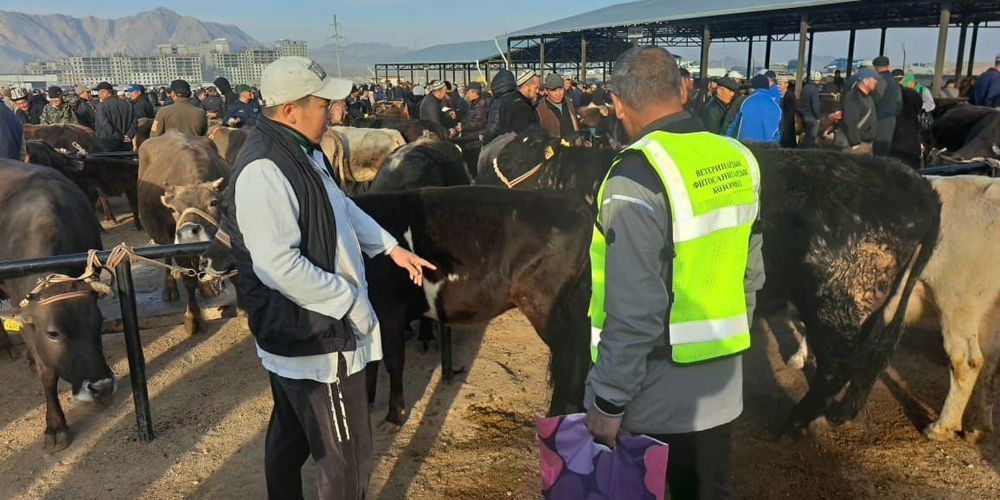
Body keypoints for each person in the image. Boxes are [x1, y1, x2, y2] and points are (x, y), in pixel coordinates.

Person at [220, 55, 435, 500]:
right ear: (290, 109)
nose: (335, 111)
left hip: (302, 332)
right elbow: (277, 265)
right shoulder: (265, 168)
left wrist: (390, 247)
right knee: (346, 460)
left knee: (291, 434)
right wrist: (349, 301)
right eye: (324, 103)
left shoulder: (299, 151)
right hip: (317, 339)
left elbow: (341, 207)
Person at [586, 45, 762, 499]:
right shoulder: (737, 159)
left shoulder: (635, 178)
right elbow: (751, 273)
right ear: (684, 91)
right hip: (722, 385)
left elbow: (635, 308)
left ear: (618, 103)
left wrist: (608, 399)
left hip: (655, 398)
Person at [726, 74, 782, 143]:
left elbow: (732, 126)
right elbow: (777, 134)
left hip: (744, 148)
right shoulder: (776, 107)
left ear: (753, 89)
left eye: (749, 88)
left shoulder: (745, 101)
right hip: (766, 149)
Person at [836, 68, 879, 154]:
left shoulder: (868, 97)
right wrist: (855, 143)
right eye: (874, 79)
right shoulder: (853, 97)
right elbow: (851, 121)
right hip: (857, 145)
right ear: (865, 81)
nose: (876, 82)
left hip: (865, 143)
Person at [871, 56, 902, 156]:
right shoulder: (895, 82)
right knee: (884, 152)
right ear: (888, 66)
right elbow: (899, 103)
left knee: (875, 152)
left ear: (875, 67)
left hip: (878, 119)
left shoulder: (877, 81)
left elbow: (873, 100)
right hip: (890, 119)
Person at [93, 81, 137, 152]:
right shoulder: (128, 104)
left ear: (106, 92)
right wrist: (129, 135)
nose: (99, 95)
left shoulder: (101, 106)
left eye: (100, 92)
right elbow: (134, 122)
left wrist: (119, 137)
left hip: (107, 143)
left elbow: (104, 124)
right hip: (126, 143)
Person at [496, 70, 540, 137]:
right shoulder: (522, 107)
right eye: (536, 88)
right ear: (526, 87)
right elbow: (524, 135)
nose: (538, 91)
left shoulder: (508, 100)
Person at [536, 72, 579, 141]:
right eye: (553, 90)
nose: (558, 94)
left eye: (560, 89)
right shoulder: (539, 109)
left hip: (572, 148)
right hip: (553, 150)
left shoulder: (569, 102)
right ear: (546, 91)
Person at [482, 69, 516, 143]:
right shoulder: (518, 99)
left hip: (501, 144)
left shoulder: (499, 102)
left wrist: (485, 141)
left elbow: (493, 127)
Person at [797, 75, 821, 148]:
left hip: (802, 113)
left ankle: (802, 147)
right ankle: (806, 150)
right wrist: (818, 117)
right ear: (818, 80)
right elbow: (815, 106)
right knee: (811, 135)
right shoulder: (814, 90)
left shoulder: (806, 87)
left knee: (806, 133)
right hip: (810, 115)